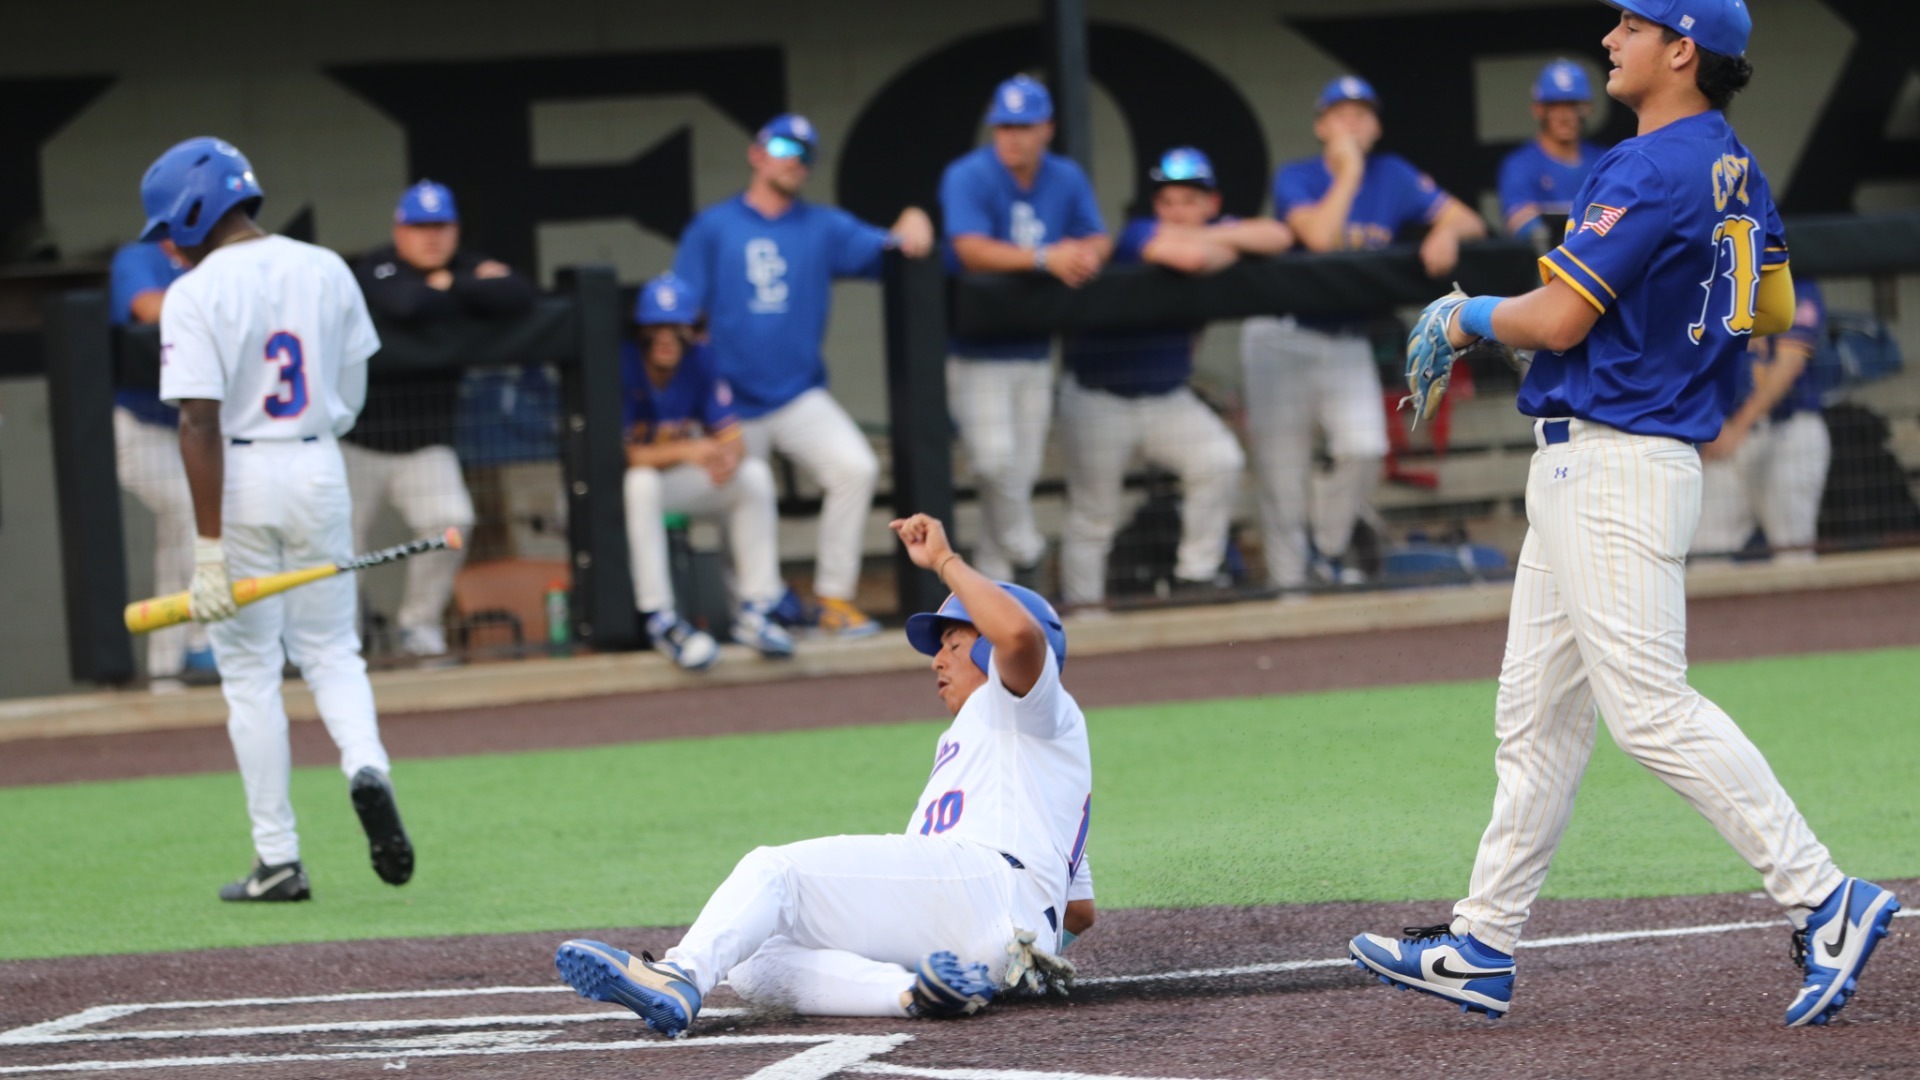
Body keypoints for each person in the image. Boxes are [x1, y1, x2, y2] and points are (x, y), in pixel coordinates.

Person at [1348, 2, 1899, 1027]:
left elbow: (1557, 318)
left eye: (1630, 25)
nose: (1610, 39)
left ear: (1680, 49)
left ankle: (1825, 896)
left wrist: (1461, 315)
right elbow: (1769, 308)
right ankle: (1483, 942)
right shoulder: (1730, 160)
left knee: (1647, 707)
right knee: (1538, 716)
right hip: (1613, 459)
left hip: (1615, 460)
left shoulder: (1650, 165)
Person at [553, 512, 1093, 1035]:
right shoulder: (1023, 759)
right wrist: (1014, 946)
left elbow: (1020, 638)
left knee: (775, 873)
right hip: (987, 934)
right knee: (750, 957)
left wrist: (945, 559)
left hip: (980, 886)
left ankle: (680, 974)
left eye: (953, 643)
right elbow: (1079, 913)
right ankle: (914, 993)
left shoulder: (1030, 705)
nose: (937, 660)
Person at [146, 136, 414, 902]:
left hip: (236, 475)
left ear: (198, 209)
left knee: (250, 672)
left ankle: (278, 860)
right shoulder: (326, 266)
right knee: (333, 649)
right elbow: (354, 390)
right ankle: (366, 764)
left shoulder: (195, 291)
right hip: (319, 463)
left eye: (170, 223)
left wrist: (206, 552)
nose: (167, 239)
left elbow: (196, 423)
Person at [671, 115, 933, 638]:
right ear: (757, 152)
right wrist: (693, 404)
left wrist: (914, 217)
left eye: (806, 153)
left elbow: (897, 247)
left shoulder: (822, 226)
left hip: (796, 394)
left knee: (854, 467)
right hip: (729, 400)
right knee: (743, 496)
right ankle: (751, 612)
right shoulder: (714, 226)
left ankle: (834, 597)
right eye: (785, 145)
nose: (795, 158)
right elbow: (680, 315)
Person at [1240, 75, 1486, 590]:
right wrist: (1348, 171)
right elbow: (1319, 237)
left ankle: (1325, 550)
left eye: (1363, 113)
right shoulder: (1298, 176)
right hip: (1281, 337)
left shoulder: (1393, 174)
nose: (1353, 122)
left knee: (1364, 448)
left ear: (1376, 124)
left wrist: (1443, 229)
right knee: (1283, 479)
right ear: (1321, 125)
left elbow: (1471, 221)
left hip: (1347, 337)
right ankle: (1290, 593)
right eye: (1341, 113)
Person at [1057, 147, 1289, 608]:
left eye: (1189, 200)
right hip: (1099, 396)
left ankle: (1196, 574)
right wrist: (1226, 246)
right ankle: (1082, 612)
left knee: (1219, 460)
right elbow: (1188, 259)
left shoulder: (1219, 229)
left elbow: (1279, 234)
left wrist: (1221, 237)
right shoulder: (1138, 233)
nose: (1178, 211)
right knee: (1094, 514)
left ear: (1211, 202)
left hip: (1165, 397)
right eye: (1168, 201)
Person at [350, 180, 534, 658]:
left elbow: (518, 294)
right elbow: (404, 304)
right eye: (419, 228)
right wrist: (469, 294)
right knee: (339, 547)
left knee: (450, 520)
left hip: (425, 443)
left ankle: (420, 625)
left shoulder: (461, 266)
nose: (430, 238)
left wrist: (450, 284)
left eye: (440, 227)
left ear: (455, 230)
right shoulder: (379, 264)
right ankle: (339, 638)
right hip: (356, 441)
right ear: (399, 230)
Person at [940, 75, 1111, 586]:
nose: (1013, 137)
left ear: (1047, 129)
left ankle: (996, 591)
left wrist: (1084, 256)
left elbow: (1097, 236)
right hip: (975, 353)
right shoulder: (968, 174)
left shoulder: (1065, 176)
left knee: (1019, 473)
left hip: (1034, 350)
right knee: (993, 465)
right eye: (1005, 126)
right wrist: (1045, 257)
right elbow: (970, 249)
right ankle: (1027, 545)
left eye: (1025, 127)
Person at [620, 272, 794, 670]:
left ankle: (757, 610)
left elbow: (733, 437)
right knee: (640, 481)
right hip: (619, 493)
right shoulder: (623, 362)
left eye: (677, 327)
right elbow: (622, 455)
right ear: (640, 331)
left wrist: (726, 457)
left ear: (692, 330)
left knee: (752, 477)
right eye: (655, 327)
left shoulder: (701, 358)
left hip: (677, 481)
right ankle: (660, 618)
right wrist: (688, 447)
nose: (666, 338)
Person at [108, 239, 217, 688]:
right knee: (189, 512)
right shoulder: (141, 257)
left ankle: (174, 658)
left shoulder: (216, 257)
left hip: (193, 427)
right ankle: (185, 649)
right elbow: (149, 307)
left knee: (192, 523)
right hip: (139, 425)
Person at [1692, 278, 1831, 561]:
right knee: (1706, 552)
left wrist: (1737, 427)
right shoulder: (1712, 291)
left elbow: (1789, 364)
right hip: (1724, 436)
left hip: (1788, 432)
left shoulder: (1797, 289)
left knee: (1792, 551)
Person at [1499, 59, 1606, 245]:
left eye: (1573, 106)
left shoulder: (1605, 160)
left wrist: (1589, 232)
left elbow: (1615, 210)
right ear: (1539, 110)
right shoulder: (1520, 164)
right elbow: (1518, 220)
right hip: (1545, 261)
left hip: (1598, 258)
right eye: (1555, 106)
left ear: (1587, 109)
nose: (1565, 116)